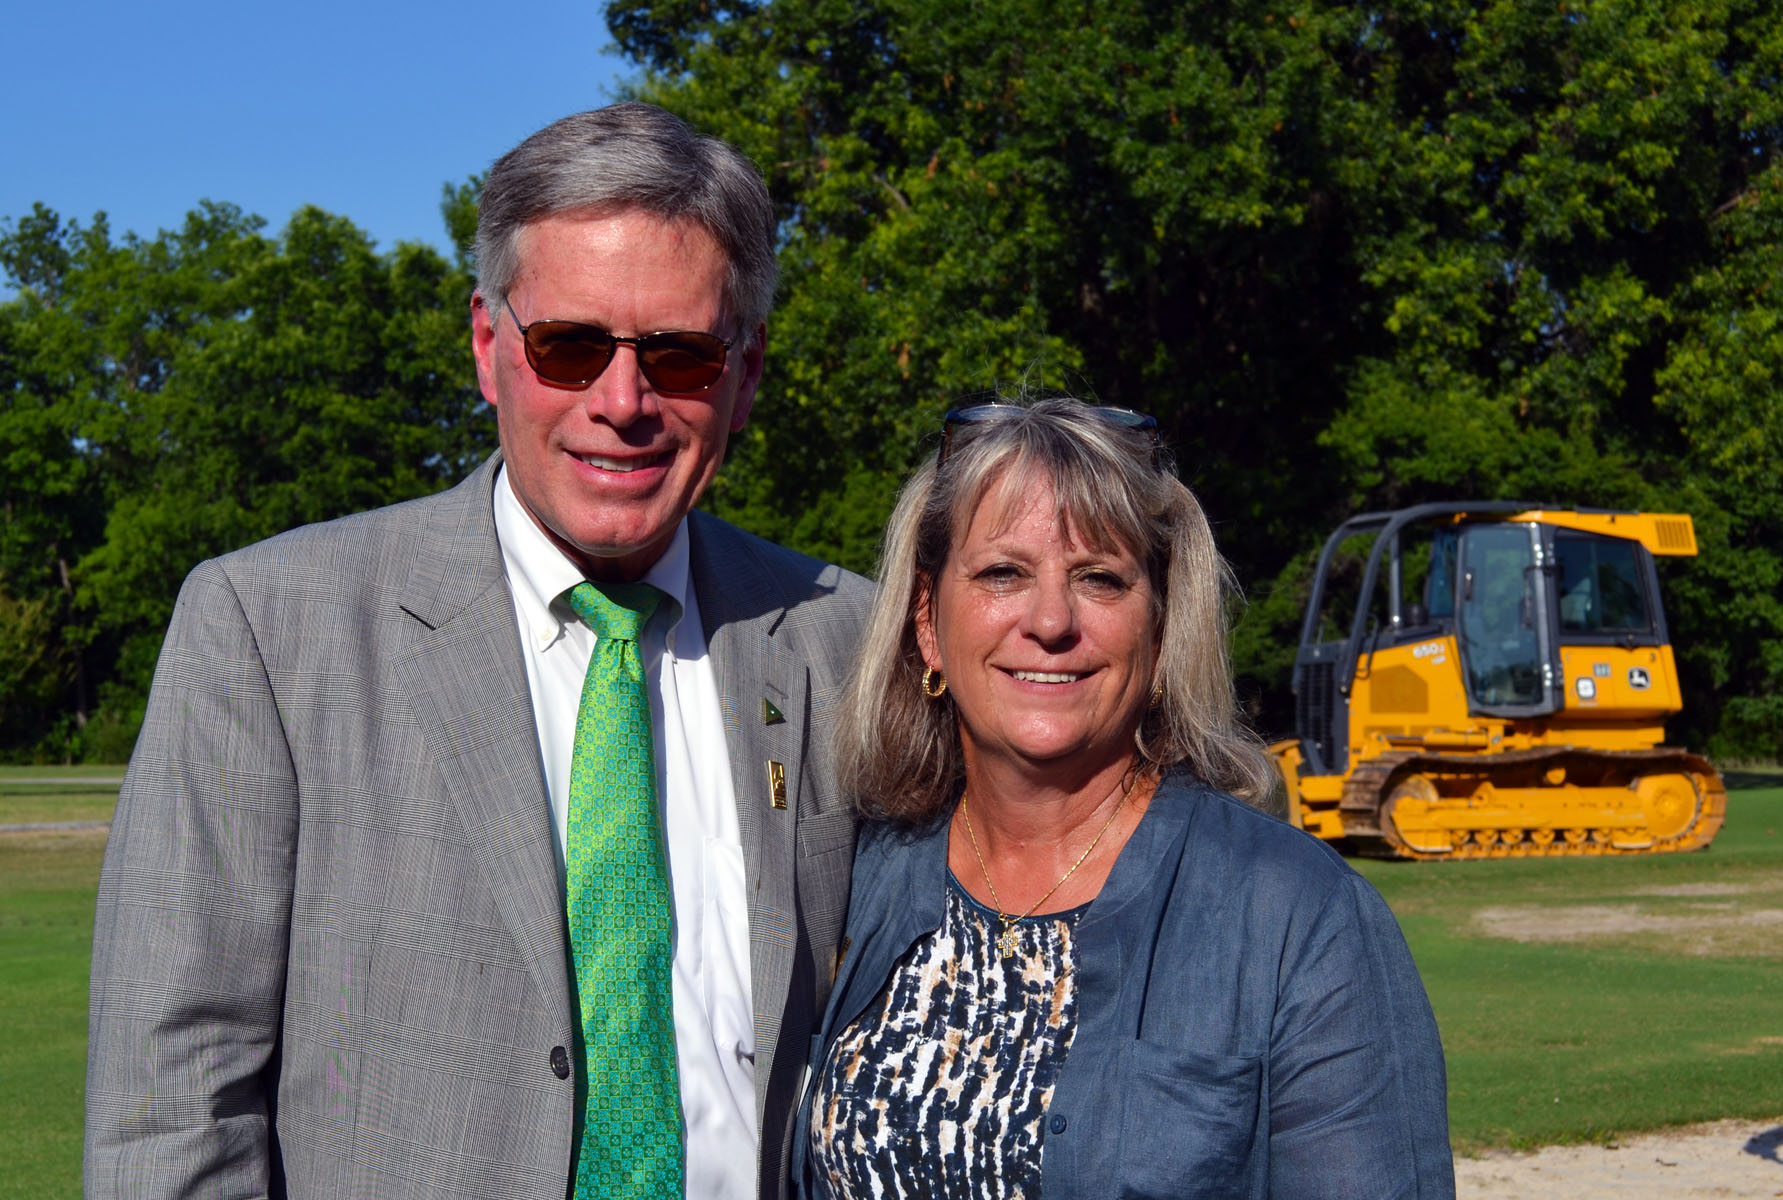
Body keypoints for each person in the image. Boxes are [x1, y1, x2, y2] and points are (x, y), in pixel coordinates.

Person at [85, 103, 871, 1200]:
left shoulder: (845, 637)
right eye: (571, 345)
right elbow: (168, 1104)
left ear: (743, 375)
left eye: (680, 355)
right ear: (489, 347)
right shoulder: (270, 628)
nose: (623, 402)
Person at [795, 398, 1454, 1199]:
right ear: (929, 622)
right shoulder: (862, 872)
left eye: (1099, 579)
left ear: (1160, 624)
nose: (1050, 621)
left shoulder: (1302, 920)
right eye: (1003, 573)